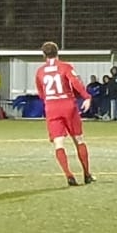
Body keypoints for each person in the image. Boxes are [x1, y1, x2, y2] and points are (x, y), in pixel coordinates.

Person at [35, 41, 94, 186]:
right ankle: (87, 174)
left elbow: (41, 94)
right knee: (79, 139)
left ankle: (69, 175)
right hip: (68, 105)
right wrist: (86, 97)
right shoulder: (65, 67)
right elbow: (75, 83)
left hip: (51, 107)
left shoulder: (40, 72)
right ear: (57, 52)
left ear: (43, 55)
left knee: (58, 143)